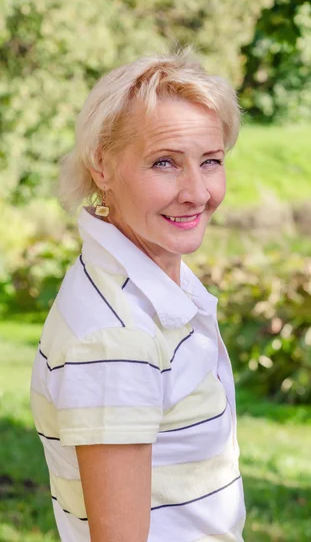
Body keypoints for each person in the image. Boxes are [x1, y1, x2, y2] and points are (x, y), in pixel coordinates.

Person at [30, 50, 246, 542]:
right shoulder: (115, 337)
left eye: (210, 161)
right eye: (165, 163)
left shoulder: (143, 285)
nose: (196, 192)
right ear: (102, 167)